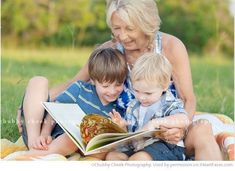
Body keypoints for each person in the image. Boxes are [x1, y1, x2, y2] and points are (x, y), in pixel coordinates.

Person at [17, 0, 222, 160]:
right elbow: (73, 84)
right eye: (116, 28)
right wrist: (32, 108)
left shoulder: (171, 47)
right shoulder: (108, 50)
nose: (122, 36)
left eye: (129, 28)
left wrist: (180, 128)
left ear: (146, 23)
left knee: (203, 129)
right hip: (126, 135)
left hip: (164, 129)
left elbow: (188, 99)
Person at [20, 48, 128, 158]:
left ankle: (36, 154)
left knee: (72, 138)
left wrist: (120, 128)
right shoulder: (80, 88)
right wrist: (44, 134)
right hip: (43, 132)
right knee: (38, 81)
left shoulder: (118, 108)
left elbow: (117, 141)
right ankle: (33, 143)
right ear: (93, 80)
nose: (112, 91)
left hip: (68, 143)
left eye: (118, 85)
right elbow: (55, 110)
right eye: (106, 86)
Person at [106, 53, 190, 160]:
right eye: (136, 90)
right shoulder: (133, 106)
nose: (141, 97)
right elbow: (132, 135)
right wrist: (122, 126)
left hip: (165, 147)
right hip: (138, 147)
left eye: (148, 93)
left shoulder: (170, 104)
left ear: (165, 86)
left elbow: (184, 119)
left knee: (139, 158)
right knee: (112, 156)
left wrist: (155, 123)